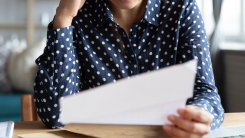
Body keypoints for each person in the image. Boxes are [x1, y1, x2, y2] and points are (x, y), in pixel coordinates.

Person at [34, 0, 224, 137]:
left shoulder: (182, 8)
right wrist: (63, 17)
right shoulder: (78, 15)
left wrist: (198, 115)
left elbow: (206, 92)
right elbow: (56, 115)